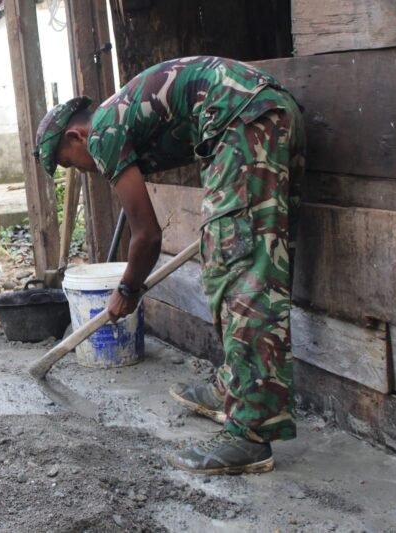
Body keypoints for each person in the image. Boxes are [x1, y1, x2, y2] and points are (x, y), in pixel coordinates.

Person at [34, 56, 304, 475]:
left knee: (241, 272)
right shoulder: (120, 118)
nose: (82, 171)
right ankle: (233, 387)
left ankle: (249, 435)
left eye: (70, 162)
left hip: (244, 121)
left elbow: (147, 236)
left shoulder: (103, 132)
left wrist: (127, 290)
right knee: (249, 258)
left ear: (76, 136)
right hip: (266, 112)